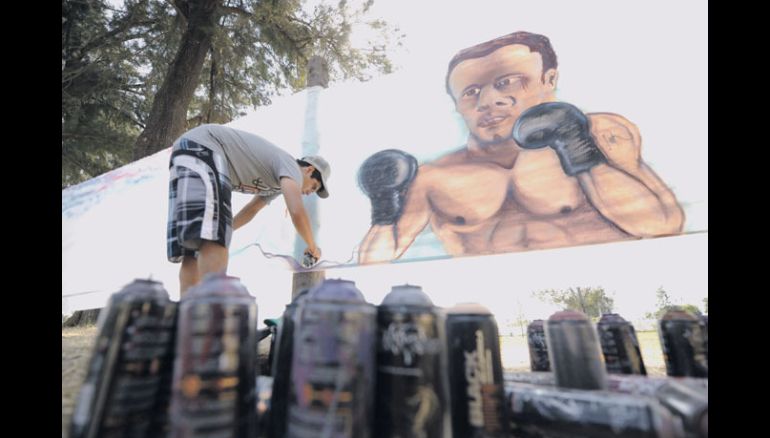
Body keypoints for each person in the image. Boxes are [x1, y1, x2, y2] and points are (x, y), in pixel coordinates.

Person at [358, 31, 683, 263]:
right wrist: (384, 203)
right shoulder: (433, 176)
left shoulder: (598, 132)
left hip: (604, 291)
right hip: (492, 302)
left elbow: (661, 224)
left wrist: (579, 147)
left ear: (549, 80)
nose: (488, 101)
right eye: (471, 91)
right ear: (456, 104)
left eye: (506, 82)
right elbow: (373, 261)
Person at [167, 123, 331, 295]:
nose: (308, 193)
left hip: (187, 151)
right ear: (309, 169)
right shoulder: (291, 167)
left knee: (194, 246)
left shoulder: (274, 184)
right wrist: (312, 246)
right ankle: (211, 308)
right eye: (313, 187)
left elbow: (252, 210)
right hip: (205, 148)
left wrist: (228, 229)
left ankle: (188, 312)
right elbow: (296, 211)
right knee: (215, 240)